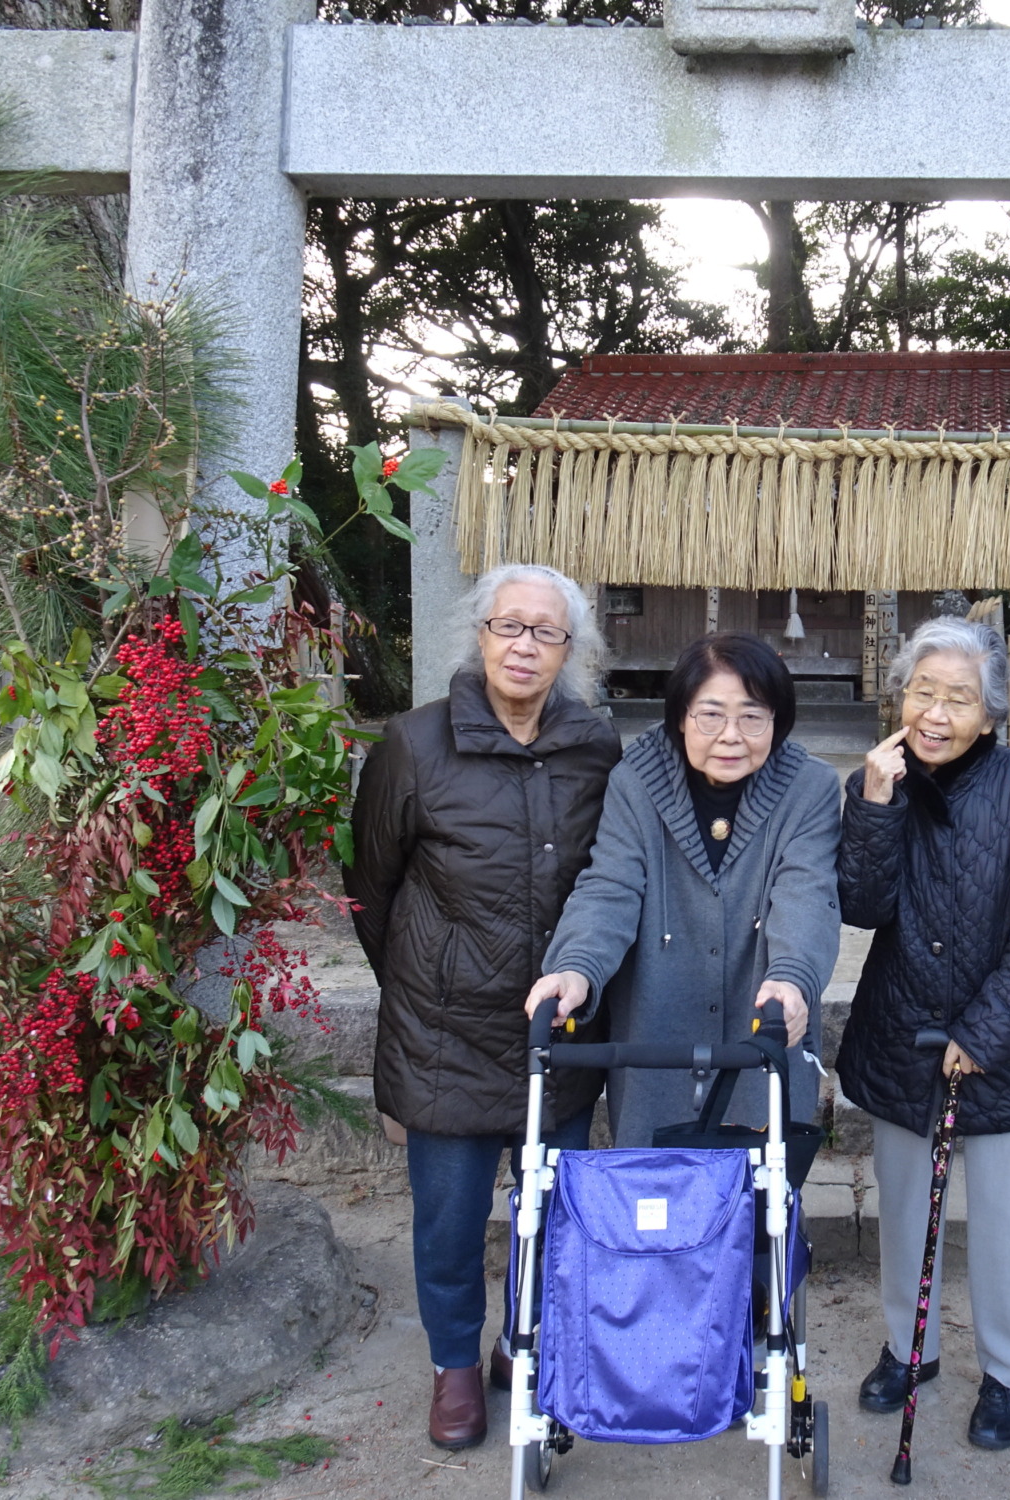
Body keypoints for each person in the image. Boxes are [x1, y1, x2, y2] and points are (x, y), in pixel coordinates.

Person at [345, 564, 621, 1453]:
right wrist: (426, 983)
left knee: (552, 1210)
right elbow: (370, 891)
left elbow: (613, 879)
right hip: (444, 1034)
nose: (525, 647)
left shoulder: (597, 749)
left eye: (547, 633)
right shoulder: (415, 745)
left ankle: (523, 1346)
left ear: (571, 652)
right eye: (510, 628)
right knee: (451, 1221)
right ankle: (453, 1364)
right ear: (481, 634)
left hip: (561, 1035)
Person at [835, 615, 1010, 1453]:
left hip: (1008, 1046)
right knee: (907, 1210)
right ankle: (912, 1350)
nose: (936, 714)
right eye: (923, 693)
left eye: (959, 699)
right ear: (902, 698)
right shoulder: (877, 781)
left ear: (991, 713)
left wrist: (982, 1032)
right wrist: (874, 805)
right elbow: (861, 907)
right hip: (902, 1031)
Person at [527, 633, 841, 1151]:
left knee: (762, 1207)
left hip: (760, 1024)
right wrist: (575, 967)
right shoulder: (636, 782)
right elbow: (611, 886)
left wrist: (792, 979)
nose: (731, 735)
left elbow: (806, 891)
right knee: (654, 1204)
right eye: (711, 715)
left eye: (752, 716)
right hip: (657, 1029)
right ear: (680, 716)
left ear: (777, 722)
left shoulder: (808, 786)